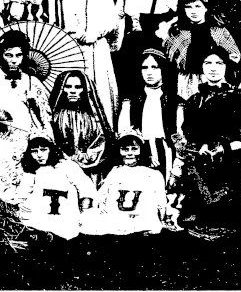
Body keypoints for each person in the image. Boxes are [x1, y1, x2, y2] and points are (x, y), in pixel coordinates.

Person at [176, 46, 241, 241]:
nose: (213, 68)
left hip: (233, 163)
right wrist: (200, 147)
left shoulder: (238, 97)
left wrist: (226, 147)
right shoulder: (194, 101)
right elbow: (190, 132)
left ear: (226, 67)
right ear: (201, 67)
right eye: (208, 63)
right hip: (204, 163)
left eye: (219, 63)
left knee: (233, 222)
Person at [52, 0, 124, 129]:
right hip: (67, 48)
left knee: (97, 88)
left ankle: (102, 134)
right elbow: (50, 19)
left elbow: (111, 19)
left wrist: (92, 33)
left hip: (94, 47)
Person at [115, 0, 179, 97]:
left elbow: (181, 15)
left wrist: (165, 26)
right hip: (130, 47)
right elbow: (117, 20)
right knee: (130, 85)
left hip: (155, 46)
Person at [117, 49, 184, 190]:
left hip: (166, 155)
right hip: (138, 154)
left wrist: (176, 169)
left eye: (154, 67)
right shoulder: (131, 102)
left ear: (163, 70)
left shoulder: (175, 102)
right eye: (144, 67)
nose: (149, 72)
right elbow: (124, 133)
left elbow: (180, 138)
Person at [15, 132, 96, 240]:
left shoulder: (67, 166)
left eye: (43, 150)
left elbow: (86, 188)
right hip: (40, 227)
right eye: (34, 151)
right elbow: (22, 196)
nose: (39, 155)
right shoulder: (30, 172)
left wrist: (85, 213)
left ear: (51, 149)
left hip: (65, 227)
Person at [164, 0, 241, 101]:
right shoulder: (178, 32)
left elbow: (234, 55)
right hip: (187, 81)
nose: (193, 11)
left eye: (197, 6)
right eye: (188, 7)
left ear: (205, 8)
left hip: (215, 80)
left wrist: (222, 68)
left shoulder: (218, 31)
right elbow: (169, 59)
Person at [91, 131, 167, 236]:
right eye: (125, 149)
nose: (130, 153)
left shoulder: (153, 174)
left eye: (134, 149)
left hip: (144, 229)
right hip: (116, 229)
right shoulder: (114, 172)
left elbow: (161, 204)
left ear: (141, 150)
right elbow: (100, 198)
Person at [48, 70, 112, 187]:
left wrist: (86, 157)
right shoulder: (54, 117)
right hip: (62, 170)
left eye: (78, 87)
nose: (72, 90)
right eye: (68, 86)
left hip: (91, 171)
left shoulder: (94, 117)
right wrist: (67, 159)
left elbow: (101, 140)